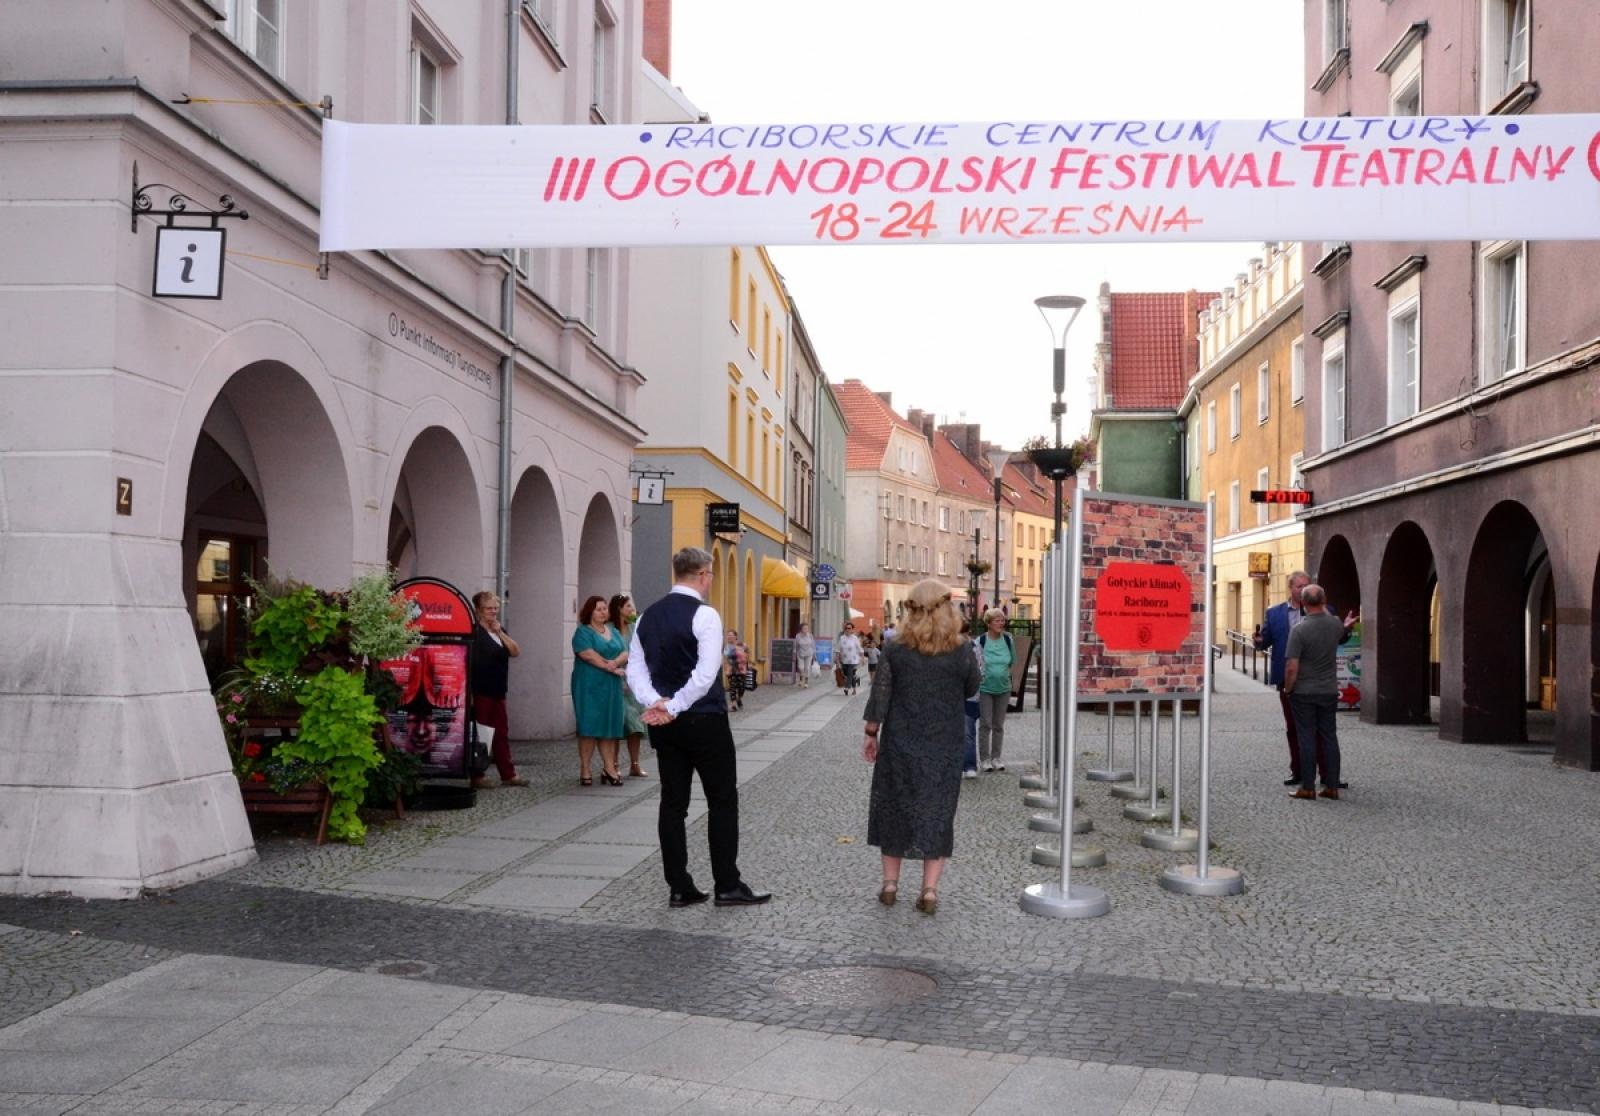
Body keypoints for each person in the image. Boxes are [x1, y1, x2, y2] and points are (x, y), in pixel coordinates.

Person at [626, 547, 770, 908]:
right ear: (704, 574)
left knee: (672, 804)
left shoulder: (646, 617)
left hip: (666, 724)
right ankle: (727, 884)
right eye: (711, 575)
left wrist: (655, 703)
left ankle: (679, 885)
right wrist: (672, 705)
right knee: (722, 800)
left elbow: (635, 670)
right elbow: (706, 675)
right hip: (704, 719)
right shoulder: (705, 615)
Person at [862, 579, 983, 915]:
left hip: (900, 740)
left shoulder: (896, 649)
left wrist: (871, 732)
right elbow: (972, 686)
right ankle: (929, 891)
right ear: (946, 609)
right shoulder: (962, 649)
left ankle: (890, 884)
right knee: (938, 811)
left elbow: (880, 695)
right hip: (944, 742)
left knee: (894, 807)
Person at [1254, 571, 1354, 790]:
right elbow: (1266, 642)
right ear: (1291, 588)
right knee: (1294, 728)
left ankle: (1328, 776)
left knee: (1321, 731)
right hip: (1289, 678)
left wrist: (1346, 629)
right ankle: (1298, 771)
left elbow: (1338, 636)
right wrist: (1259, 641)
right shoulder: (1275, 613)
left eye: (1307, 585)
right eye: (1299, 586)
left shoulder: (1328, 612)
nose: (1304, 589)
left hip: (1317, 680)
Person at [1284, 583, 1346, 800]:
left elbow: (1292, 666)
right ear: (1324, 600)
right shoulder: (1336, 625)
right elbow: (1337, 629)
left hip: (1304, 692)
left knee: (1306, 738)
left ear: (1302, 603)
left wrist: (1288, 688)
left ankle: (1308, 787)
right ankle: (1332, 786)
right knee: (1329, 736)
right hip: (1328, 689)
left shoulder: (1299, 630)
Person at [469, 592, 527, 788]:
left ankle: (508, 773)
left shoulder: (498, 630)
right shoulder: (474, 632)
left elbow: (515, 651)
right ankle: (477, 773)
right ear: (478, 610)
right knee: (481, 733)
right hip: (480, 689)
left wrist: (500, 633)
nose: (493, 611)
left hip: (498, 689)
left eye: (495, 607)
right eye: (488, 608)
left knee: (501, 732)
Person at [571, 595, 626, 786]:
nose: (603, 612)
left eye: (605, 609)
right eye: (599, 609)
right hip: (589, 684)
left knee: (609, 725)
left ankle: (609, 767)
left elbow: (625, 651)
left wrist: (616, 662)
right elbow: (587, 654)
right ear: (590, 612)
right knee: (589, 725)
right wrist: (609, 666)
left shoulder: (613, 630)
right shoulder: (583, 632)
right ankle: (585, 768)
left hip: (611, 684)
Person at [609, 593, 648, 779]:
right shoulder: (610, 630)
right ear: (619, 609)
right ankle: (613, 764)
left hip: (632, 682)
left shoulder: (633, 629)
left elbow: (640, 653)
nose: (632, 610)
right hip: (615, 680)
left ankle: (634, 764)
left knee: (636, 725)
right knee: (618, 724)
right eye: (628, 607)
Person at [975, 608, 1014, 773]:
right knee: (985, 724)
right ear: (989, 623)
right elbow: (976, 662)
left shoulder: (1008, 639)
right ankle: (984, 759)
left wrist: (1004, 675)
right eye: (997, 620)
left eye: (1002, 620)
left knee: (999, 725)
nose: (1001, 623)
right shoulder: (981, 640)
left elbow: (1012, 660)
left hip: (1003, 688)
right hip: (985, 688)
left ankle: (996, 757)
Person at [836, 622, 864, 695]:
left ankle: (847, 687)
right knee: (848, 675)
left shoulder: (855, 638)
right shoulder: (842, 638)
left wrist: (862, 658)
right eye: (846, 628)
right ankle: (854, 688)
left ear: (852, 629)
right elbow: (838, 650)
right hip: (844, 660)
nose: (848, 630)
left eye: (849, 628)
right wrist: (837, 661)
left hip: (853, 660)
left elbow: (860, 648)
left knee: (850, 673)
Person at [724, 629, 748, 712]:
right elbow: (726, 657)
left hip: (741, 669)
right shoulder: (727, 646)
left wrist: (750, 663)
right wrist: (726, 669)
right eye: (728, 635)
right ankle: (733, 705)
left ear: (735, 636)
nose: (729, 637)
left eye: (731, 635)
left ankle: (738, 698)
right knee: (732, 687)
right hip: (731, 670)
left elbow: (748, 653)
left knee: (742, 687)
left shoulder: (742, 645)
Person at [793, 623, 816, 688]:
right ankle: (801, 677)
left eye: (807, 628)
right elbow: (796, 646)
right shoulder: (798, 636)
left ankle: (806, 681)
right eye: (804, 628)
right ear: (801, 629)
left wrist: (814, 654)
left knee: (807, 668)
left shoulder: (810, 635)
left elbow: (813, 645)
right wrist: (794, 654)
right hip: (800, 654)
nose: (806, 630)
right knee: (801, 668)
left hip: (809, 654)